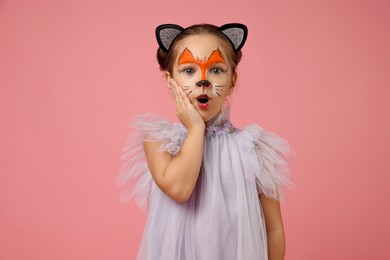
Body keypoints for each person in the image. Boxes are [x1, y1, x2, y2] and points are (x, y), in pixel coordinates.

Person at [116, 23, 294, 260]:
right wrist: (196, 128)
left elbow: (273, 228)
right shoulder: (159, 142)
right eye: (189, 71)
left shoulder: (254, 149)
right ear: (170, 81)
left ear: (233, 80)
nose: (203, 81)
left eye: (216, 70)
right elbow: (179, 189)